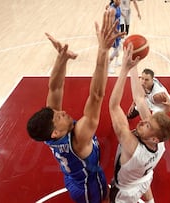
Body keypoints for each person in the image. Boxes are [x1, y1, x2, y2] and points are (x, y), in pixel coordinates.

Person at [26, 10, 125, 203]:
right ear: (55, 132)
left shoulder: (49, 129)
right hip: (89, 187)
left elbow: (55, 87)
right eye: (59, 117)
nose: (62, 111)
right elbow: (96, 95)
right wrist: (103, 51)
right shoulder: (79, 137)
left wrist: (61, 59)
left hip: (72, 178)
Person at [108, 43, 170, 203]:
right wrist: (133, 67)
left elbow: (114, 106)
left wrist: (124, 70)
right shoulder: (160, 144)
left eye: (147, 125)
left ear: (154, 138)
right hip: (144, 178)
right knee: (145, 177)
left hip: (125, 193)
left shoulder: (130, 144)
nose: (142, 122)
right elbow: (139, 98)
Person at [108, 0, 122, 74]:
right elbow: (111, 25)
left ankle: (116, 62)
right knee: (117, 49)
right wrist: (118, 33)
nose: (120, 1)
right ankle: (107, 65)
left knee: (118, 47)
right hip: (113, 32)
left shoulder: (118, 6)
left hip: (117, 29)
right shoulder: (112, 9)